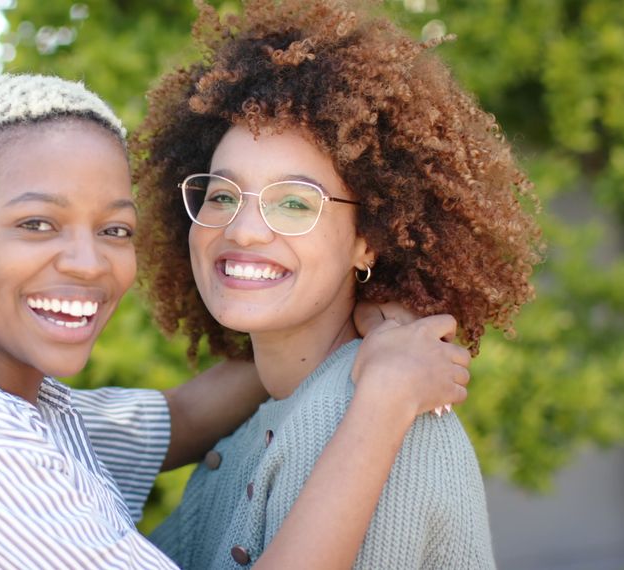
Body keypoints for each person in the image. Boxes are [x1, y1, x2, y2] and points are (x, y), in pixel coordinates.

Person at [0, 73, 471, 569]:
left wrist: (326, 327)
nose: (85, 263)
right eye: (36, 223)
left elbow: (179, 420)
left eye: (114, 228)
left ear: (370, 236)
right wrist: (383, 398)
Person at [133, 1, 543, 568]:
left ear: (367, 239)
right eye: (222, 195)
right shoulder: (271, 417)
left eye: (295, 203)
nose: (244, 230)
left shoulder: (381, 425)